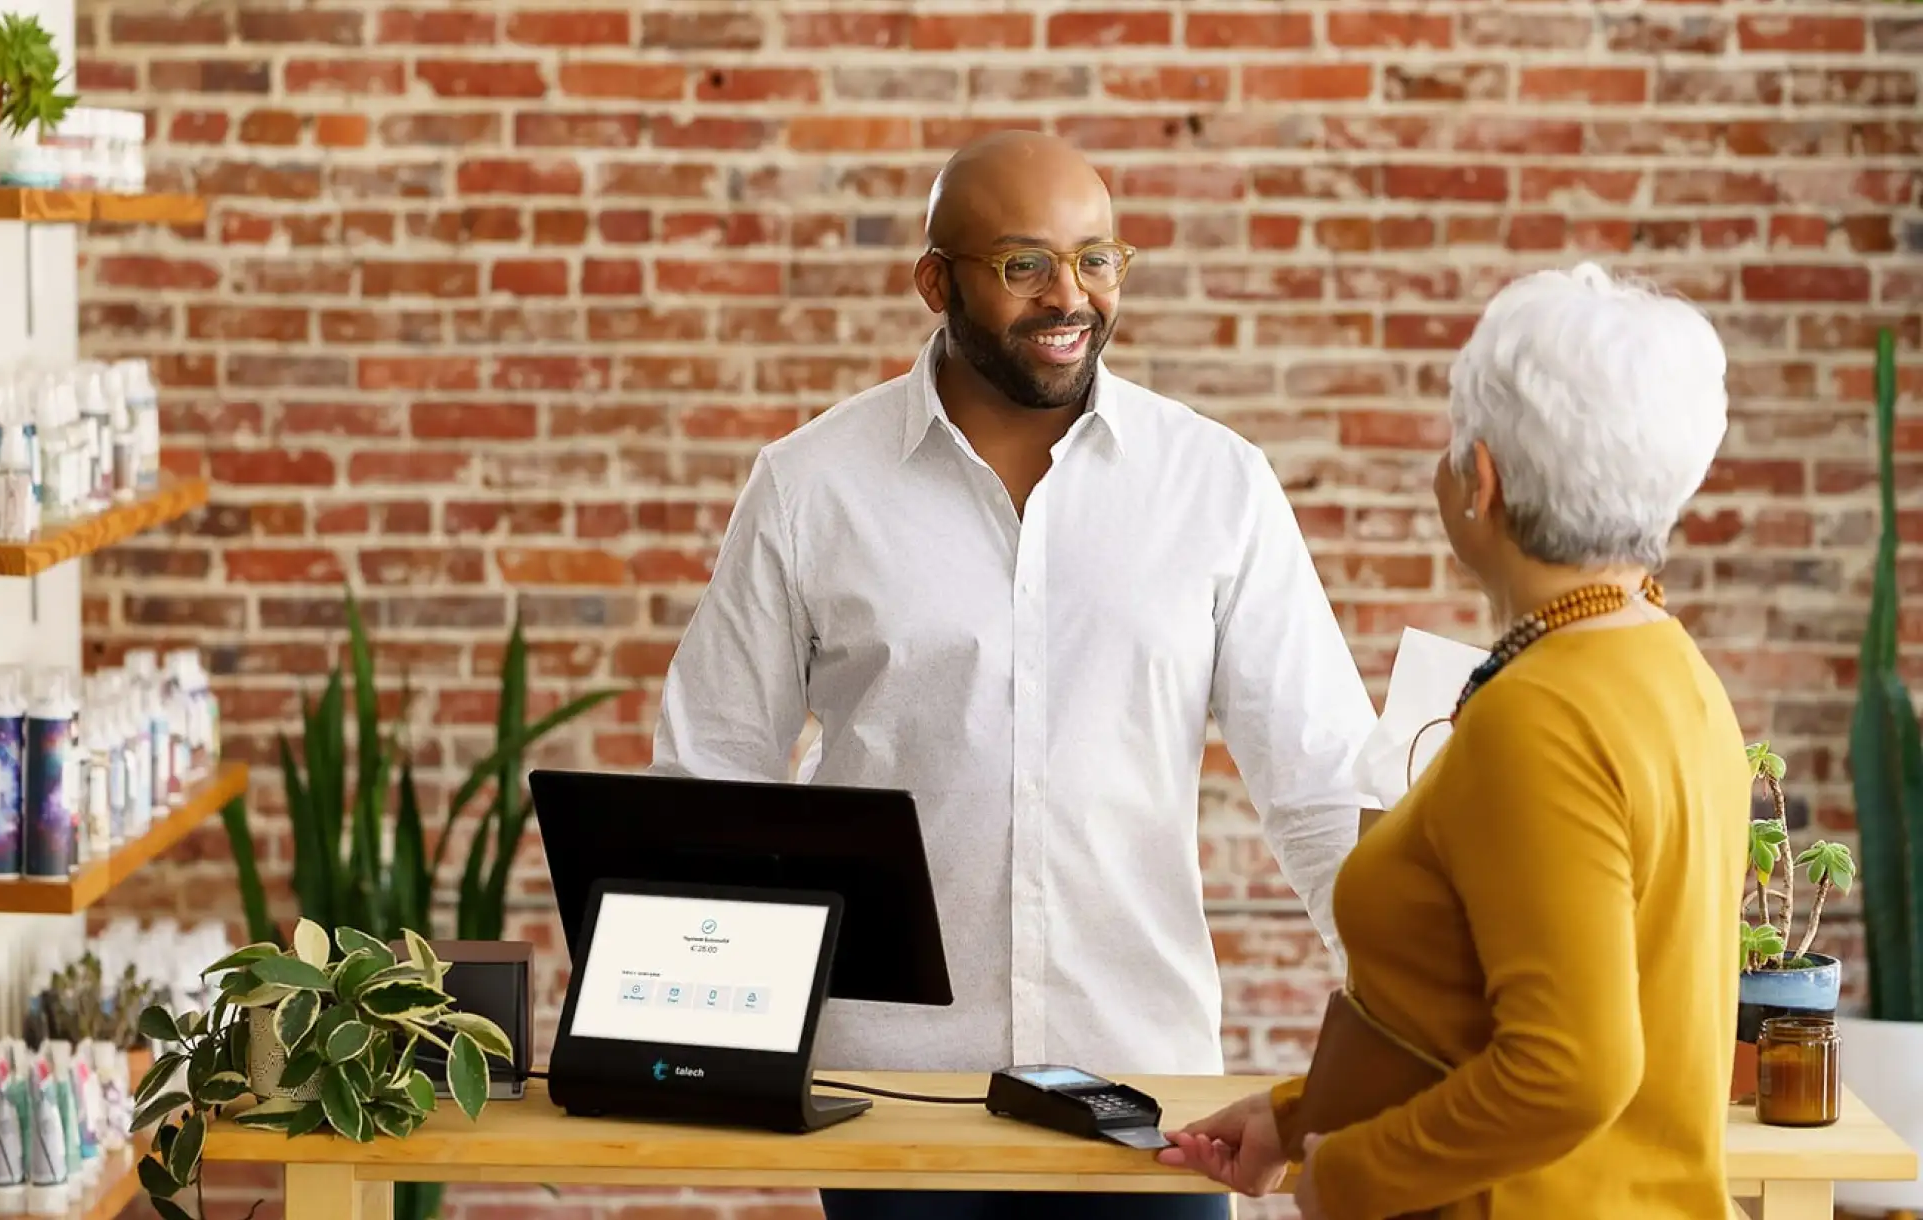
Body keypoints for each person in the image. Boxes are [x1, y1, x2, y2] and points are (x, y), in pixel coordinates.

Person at [649, 130, 1376, 1220]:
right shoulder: (812, 487)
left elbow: (1320, 784)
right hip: (892, 1093)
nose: (1068, 295)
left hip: (1147, 1100)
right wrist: (687, 1039)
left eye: (1097, 258)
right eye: (1023, 262)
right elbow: (712, 769)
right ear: (935, 280)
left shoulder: (1214, 485)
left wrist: (1405, 1016)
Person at [1159, 262, 1748, 1220]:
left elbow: (1570, 1072)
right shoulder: (1665, 666)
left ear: (1481, 482)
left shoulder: (1541, 718)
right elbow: (1484, 1010)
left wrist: (1343, 1175)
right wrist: (1301, 1116)